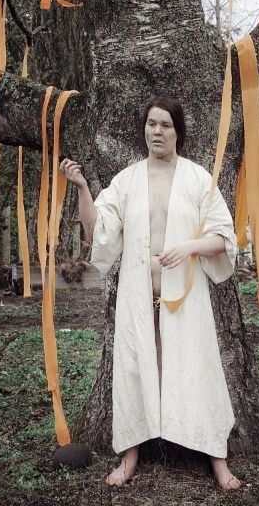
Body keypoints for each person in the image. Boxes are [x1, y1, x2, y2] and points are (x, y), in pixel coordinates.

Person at [60, 96, 241, 490]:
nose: (156, 132)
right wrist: (82, 189)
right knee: (134, 369)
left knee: (199, 368)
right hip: (137, 297)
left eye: (165, 125)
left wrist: (188, 247)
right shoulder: (127, 180)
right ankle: (130, 455)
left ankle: (218, 459)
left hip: (186, 298)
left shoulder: (197, 178)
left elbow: (225, 240)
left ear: (178, 132)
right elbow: (97, 235)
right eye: (151, 124)